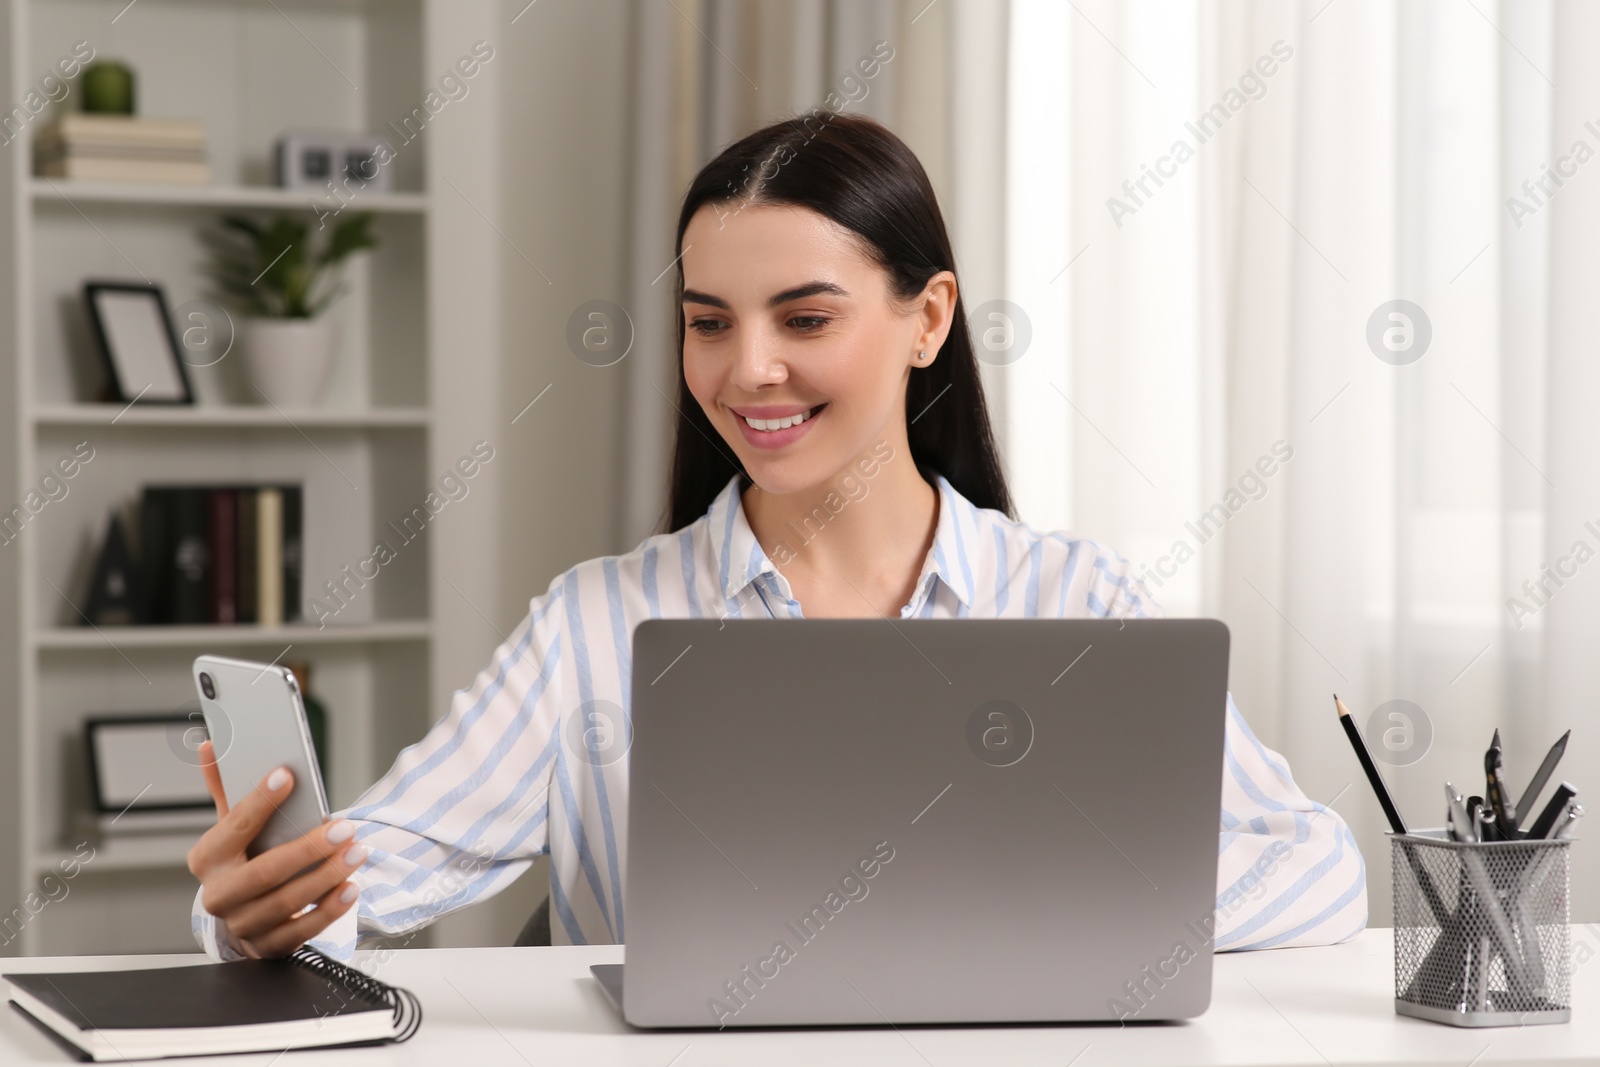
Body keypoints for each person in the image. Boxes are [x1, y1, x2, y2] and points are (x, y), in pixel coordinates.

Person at [187, 113, 1366, 962]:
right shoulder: (601, 621)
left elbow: (1318, 868)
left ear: (928, 319)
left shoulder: (1070, 600)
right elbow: (376, 864)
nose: (747, 369)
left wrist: (1009, 905)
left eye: (804, 317)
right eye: (709, 323)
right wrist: (248, 903)